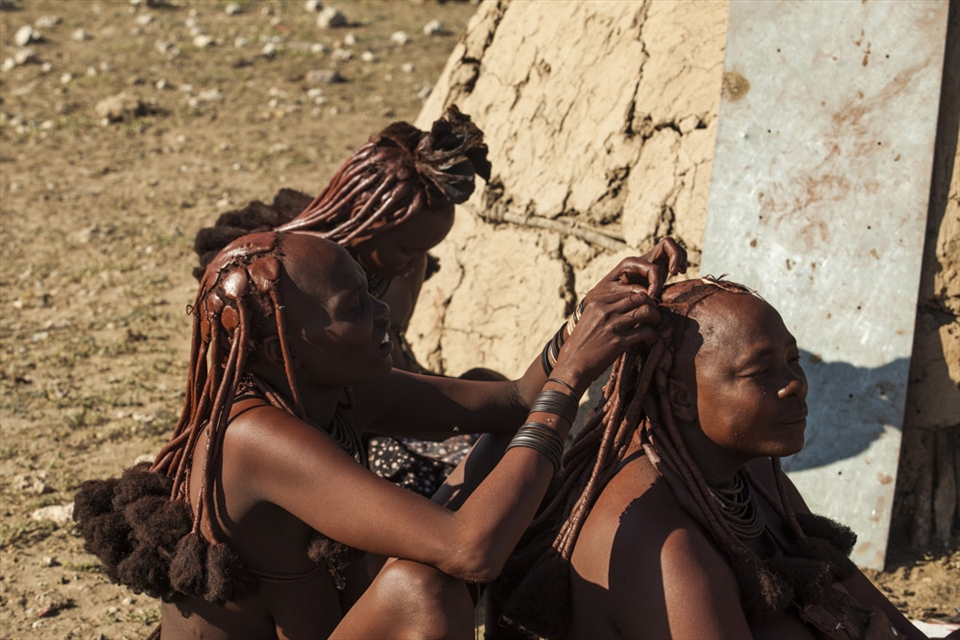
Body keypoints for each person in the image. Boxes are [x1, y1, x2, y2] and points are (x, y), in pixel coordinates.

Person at [73, 230, 680, 639]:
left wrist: (589, 318)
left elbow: (512, 403)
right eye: (354, 307)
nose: (383, 312)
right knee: (423, 592)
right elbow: (471, 551)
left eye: (370, 292)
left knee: (506, 447)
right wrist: (570, 380)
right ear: (283, 348)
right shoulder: (254, 437)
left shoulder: (333, 391)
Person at [490, 277, 926, 640]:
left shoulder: (757, 481)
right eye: (760, 371)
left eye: (792, 359)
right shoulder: (659, 542)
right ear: (681, 396)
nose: (795, 383)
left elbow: (894, 624)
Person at [193, 105, 495, 499]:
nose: (415, 264)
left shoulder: (400, 269)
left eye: (426, 251)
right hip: (346, 444)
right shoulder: (289, 287)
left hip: (395, 406)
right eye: (408, 250)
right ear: (369, 223)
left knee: (493, 393)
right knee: (485, 470)